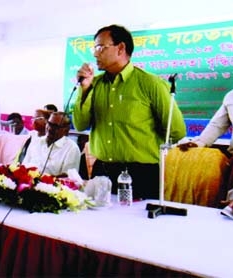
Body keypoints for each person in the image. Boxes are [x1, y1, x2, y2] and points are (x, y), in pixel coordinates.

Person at [72, 24, 186, 199]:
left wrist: (144, 143)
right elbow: (80, 124)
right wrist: (85, 89)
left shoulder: (150, 84)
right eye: (94, 48)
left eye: (100, 47)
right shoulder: (93, 84)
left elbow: (176, 130)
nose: (95, 53)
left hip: (141, 173)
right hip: (102, 171)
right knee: (97, 224)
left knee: (138, 225)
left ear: (121, 48)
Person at [21, 111, 80, 176]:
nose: (49, 128)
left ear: (66, 130)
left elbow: (67, 178)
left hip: (53, 185)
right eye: (49, 124)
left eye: (55, 126)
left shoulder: (72, 148)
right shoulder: (36, 142)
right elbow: (24, 167)